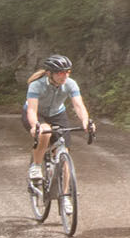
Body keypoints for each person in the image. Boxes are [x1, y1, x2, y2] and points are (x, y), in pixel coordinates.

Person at [25, 53, 94, 183]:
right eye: (60, 73)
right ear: (49, 73)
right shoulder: (36, 85)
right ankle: (36, 165)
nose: (65, 76)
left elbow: (78, 105)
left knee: (64, 152)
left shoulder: (71, 84)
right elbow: (32, 109)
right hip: (37, 113)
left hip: (57, 113)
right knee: (45, 133)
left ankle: (66, 193)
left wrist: (85, 120)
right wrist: (35, 125)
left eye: (67, 72)